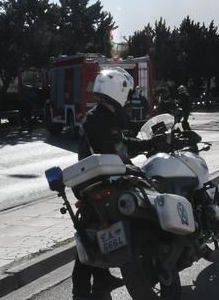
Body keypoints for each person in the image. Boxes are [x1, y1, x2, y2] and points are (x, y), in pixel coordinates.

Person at [72, 68, 157, 300]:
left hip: (92, 181)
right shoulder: (103, 119)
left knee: (96, 232)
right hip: (103, 181)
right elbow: (117, 152)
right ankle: (80, 288)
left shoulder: (99, 115)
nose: (129, 98)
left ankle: (100, 281)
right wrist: (133, 168)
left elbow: (119, 144)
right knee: (98, 230)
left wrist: (144, 144)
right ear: (118, 91)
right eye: (127, 93)